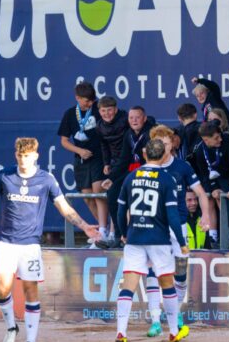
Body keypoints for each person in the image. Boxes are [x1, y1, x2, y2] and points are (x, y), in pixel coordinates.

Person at [0, 138, 99, 342]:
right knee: (3, 288)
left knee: (30, 289)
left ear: (36, 156)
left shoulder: (46, 179)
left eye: (27, 156)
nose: (23, 160)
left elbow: (64, 207)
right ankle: (11, 327)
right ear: (16, 155)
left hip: (30, 245)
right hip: (6, 241)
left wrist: (85, 226)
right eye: (20, 156)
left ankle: (31, 341)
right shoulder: (4, 175)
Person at [114, 139, 189, 342]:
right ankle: (174, 331)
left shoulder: (131, 176)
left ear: (145, 154)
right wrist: (182, 243)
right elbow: (173, 216)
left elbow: (120, 211)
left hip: (135, 238)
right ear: (164, 155)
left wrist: (123, 233)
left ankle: (121, 331)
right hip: (159, 239)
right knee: (167, 285)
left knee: (128, 285)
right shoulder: (167, 179)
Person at [145, 125, 213, 336]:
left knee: (180, 274)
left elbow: (201, 193)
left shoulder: (182, 167)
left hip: (179, 226)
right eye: (159, 144)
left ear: (172, 143)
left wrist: (206, 216)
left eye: (166, 144)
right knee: (153, 272)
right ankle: (156, 319)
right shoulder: (147, 169)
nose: (163, 148)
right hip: (155, 227)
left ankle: (175, 311)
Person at [99, 106, 156, 249]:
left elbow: (154, 159)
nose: (134, 120)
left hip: (149, 172)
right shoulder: (128, 134)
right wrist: (111, 178)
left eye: (137, 117)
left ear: (144, 118)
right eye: (131, 118)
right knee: (112, 193)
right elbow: (124, 160)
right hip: (132, 172)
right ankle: (119, 236)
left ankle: (141, 236)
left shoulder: (151, 133)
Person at [57, 81, 108, 243]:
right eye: (86, 101)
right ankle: (101, 231)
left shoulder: (98, 110)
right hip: (81, 159)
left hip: (98, 156)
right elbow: (64, 141)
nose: (90, 103)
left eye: (92, 100)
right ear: (77, 98)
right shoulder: (70, 114)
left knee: (98, 193)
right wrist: (79, 151)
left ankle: (105, 230)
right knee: (87, 197)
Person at [189, 122, 229, 247]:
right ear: (206, 140)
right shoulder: (199, 151)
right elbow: (204, 174)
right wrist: (213, 188)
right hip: (218, 180)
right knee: (224, 205)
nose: (220, 139)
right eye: (215, 138)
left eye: (219, 136)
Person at [97, 96, 128, 244]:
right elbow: (103, 146)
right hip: (115, 166)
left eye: (110, 110)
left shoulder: (126, 119)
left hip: (129, 164)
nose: (107, 113)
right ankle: (117, 236)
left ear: (116, 110)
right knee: (112, 199)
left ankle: (127, 235)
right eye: (103, 111)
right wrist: (106, 163)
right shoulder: (100, 126)